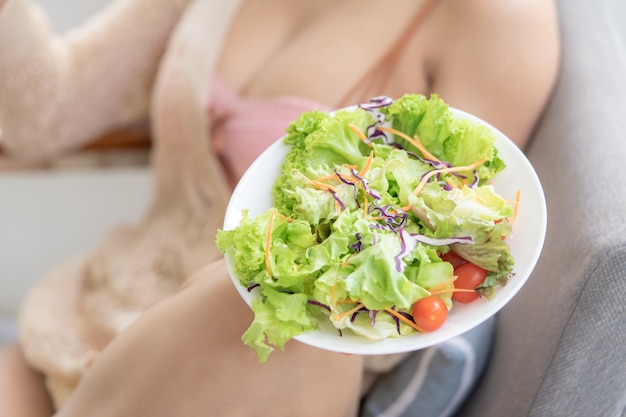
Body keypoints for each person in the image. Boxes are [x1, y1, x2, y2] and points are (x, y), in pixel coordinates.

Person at [0, 0, 560, 416]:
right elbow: (41, 111)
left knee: (257, 298)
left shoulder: (493, 18)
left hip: (269, 368)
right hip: (97, 317)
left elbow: (456, 250)